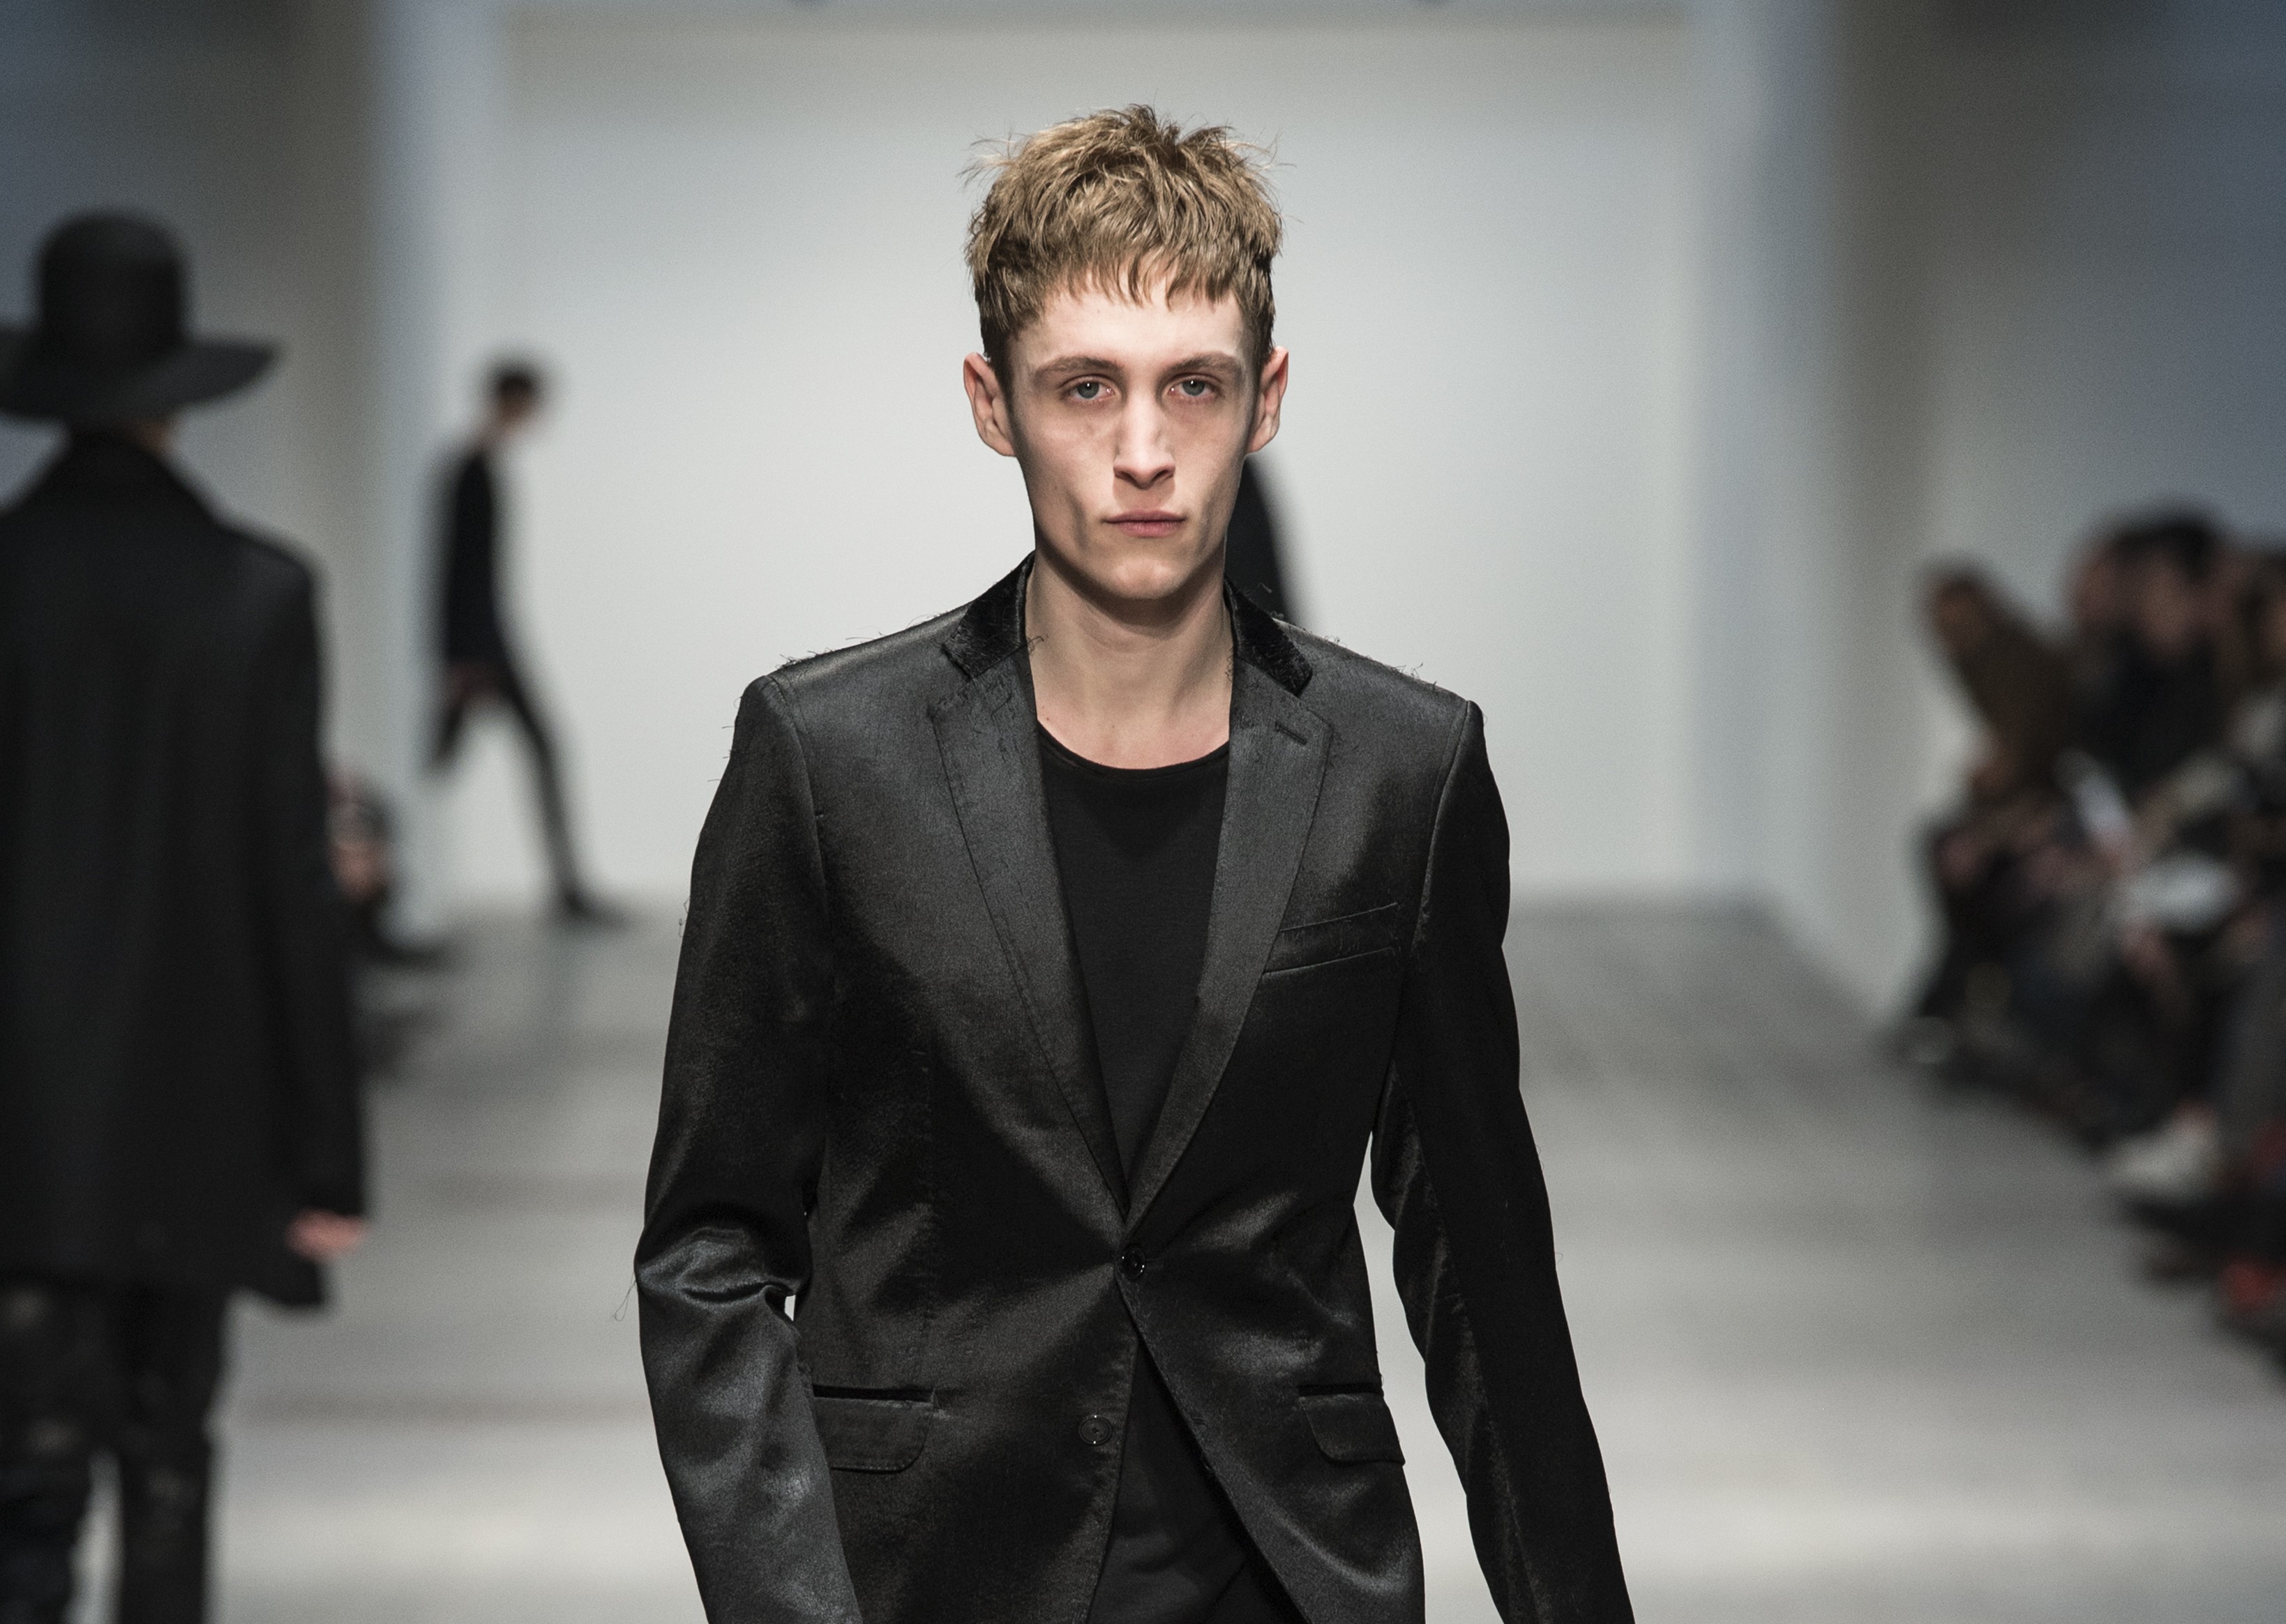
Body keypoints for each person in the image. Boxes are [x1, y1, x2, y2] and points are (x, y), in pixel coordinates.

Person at [638, 107, 1631, 1624]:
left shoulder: (1401, 772)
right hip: (932, 1580)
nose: (1145, 452)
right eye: (1085, 387)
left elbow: (1482, 1268)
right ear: (993, 403)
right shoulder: (830, 761)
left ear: (1266, 399)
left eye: (1195, 386)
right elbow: (710, 1246)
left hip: (1290, 1573)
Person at [0, 214, 366, 1624]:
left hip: (16, 1123)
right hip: (192, 1112)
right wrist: (326, 1150)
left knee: (21, 1490)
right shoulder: (257, 597)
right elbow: (291, 882)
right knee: (166, 1461)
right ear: (174, 395)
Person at [430, 361, 615, 923]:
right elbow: (456, 569)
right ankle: (566, 891)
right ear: (512, 400)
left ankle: (567, 890)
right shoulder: (471, 469)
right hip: (480, 647)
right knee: (461, 759)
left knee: (463, 758)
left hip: (483, 641)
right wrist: (462, 659)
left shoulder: (477, 466)